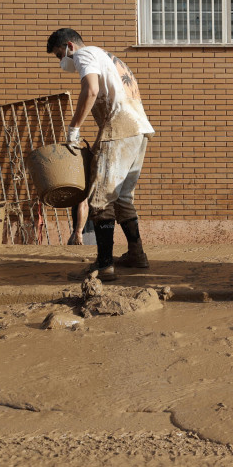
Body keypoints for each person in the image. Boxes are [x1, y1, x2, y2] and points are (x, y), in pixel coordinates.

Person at [47, 28, 155, 281]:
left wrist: (73, 129)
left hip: (119, 129)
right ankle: (136, 255)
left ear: (70, 46)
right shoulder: (108, 57)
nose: (62, 61)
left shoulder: (84, 55)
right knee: (122, 198)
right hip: (138, 130)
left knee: (100, 198)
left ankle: (104, 264)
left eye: (60, 55)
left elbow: (91, 90)